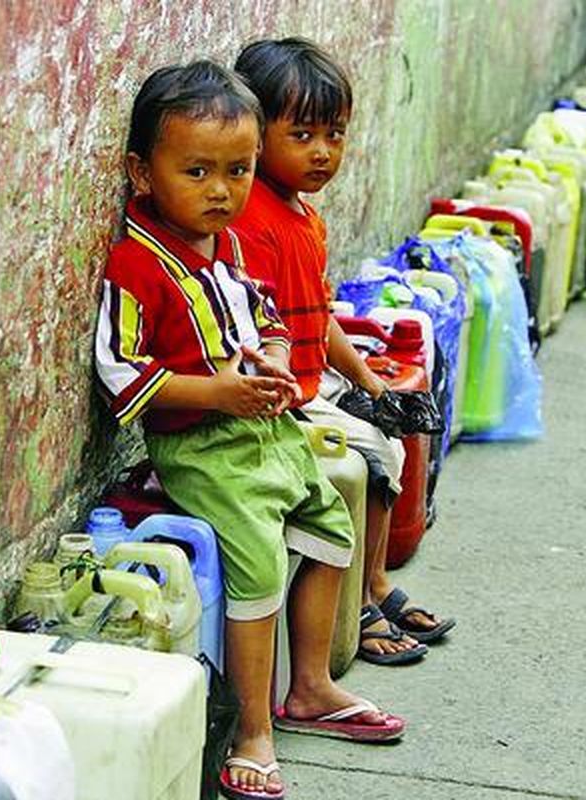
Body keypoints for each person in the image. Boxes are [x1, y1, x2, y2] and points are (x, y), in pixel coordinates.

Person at [94, 60, 404, 800]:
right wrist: (220, 391)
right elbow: (120, 373)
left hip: (261, 429)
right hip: (201, 445)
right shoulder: (138, 265)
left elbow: (262, 315)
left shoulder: (225, 245)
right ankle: (253, 731)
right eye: (197, 171)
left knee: (332, 522)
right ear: (143, 171)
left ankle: (313, 686)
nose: (222, 190)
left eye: (238, 170)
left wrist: (267, 359)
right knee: (258, 563)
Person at [233, 37, 455, 666]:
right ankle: (357, 600)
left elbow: (319, 315)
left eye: (334, 134)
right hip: (280, 397)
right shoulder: (253, 224)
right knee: (366, 457)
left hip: (314, 384)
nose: (323, 152)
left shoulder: (305, 218)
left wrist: (373, 385)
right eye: (302, 134)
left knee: (387, 438)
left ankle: (375, 582)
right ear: (256, 135)